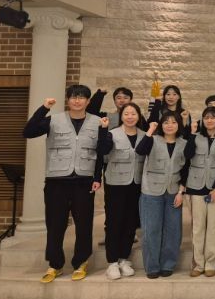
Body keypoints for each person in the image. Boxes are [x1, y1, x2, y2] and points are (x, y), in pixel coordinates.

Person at [23, 85, 102, 283]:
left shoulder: (97, 122)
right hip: (56, 182)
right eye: (73, 97)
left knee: (84, 225)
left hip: (84, 182)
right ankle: (55, 265)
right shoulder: (53, 120)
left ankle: (81, 262)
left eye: (81, 97)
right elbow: (28, 132)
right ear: (68, 100)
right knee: (55, 225)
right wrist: (44, 108)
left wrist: (97, 178)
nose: (77, 100)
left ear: (88, 101)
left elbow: (101, 153)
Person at [97, 102, 146, 280]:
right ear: (121, 116)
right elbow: (102, 151)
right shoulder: (112, 133)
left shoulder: (144, 135)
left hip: (136, 184)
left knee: (130, 222)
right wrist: (103, 131)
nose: (130, 117)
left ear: (138, 116)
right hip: (115, 184)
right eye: (126, 114)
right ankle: (112, 262)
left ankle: (124, 258)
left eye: (133, 113)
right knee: (114, 222)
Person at [135, 110, 187, 278]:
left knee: (173, 230)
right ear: (161, 125)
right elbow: (140, 150)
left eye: (173, 122)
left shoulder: (184, 143)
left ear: (179, 124)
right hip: (151, 192)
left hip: (174, 192)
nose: (169, 125)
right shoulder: (153, 139)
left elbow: (186, 169)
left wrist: (181, 192)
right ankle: (152, 267)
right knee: (151, 230)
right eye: (166, 122)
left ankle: (168, 264)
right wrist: (150, 130)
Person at [183, 106, 215, 277]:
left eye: (213, 117)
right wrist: (191, 134)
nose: (209, 120)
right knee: (198, 227)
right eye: (206, 118)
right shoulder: (196, 136)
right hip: (195, 186)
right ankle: (198, 264)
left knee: (214, 227)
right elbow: (187, 155)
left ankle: (211, 263)